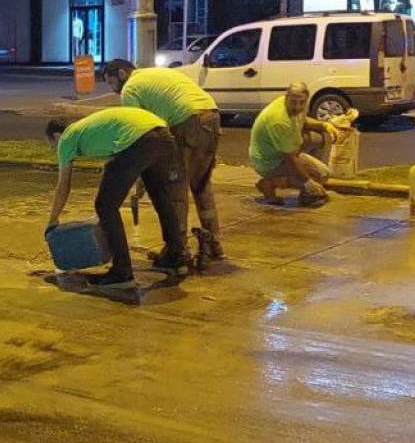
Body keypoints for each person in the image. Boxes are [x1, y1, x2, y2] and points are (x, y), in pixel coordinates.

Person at [45, 107, 187, 288]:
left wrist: (52, 219)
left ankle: (122, 272)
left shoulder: (66, 139)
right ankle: (177, 257)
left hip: (139, 139)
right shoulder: (91, 130)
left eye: (52, 145)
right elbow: (119, 166)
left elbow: (64, 185)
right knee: (160, 196)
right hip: (162, 135)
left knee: (105, 206)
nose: (55, 150)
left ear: (56, 136)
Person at [101, 59, 224, 265]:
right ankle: (214, 244)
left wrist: (137, 177)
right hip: (211, 115)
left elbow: (140, 133)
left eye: (110, 82)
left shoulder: (130, 89)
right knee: (201, 185)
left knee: (175, 189)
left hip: (187, 121)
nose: (112, 89)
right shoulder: (153, 74)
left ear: (122, 74)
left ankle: (178, 251)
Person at [249, 83, 341, 206]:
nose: (297, 107)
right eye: (293, 102)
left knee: (320, 139)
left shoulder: (293, 107)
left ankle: (305, 188)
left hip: (287, 151)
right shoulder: (279, 121)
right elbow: (289, 158)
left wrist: (324, 125)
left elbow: (304, 121)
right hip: (270, 162)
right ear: (286, 98)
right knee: (317, 176)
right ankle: (269, 183)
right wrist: (308, 181)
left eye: (301, 103)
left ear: (306, 100)